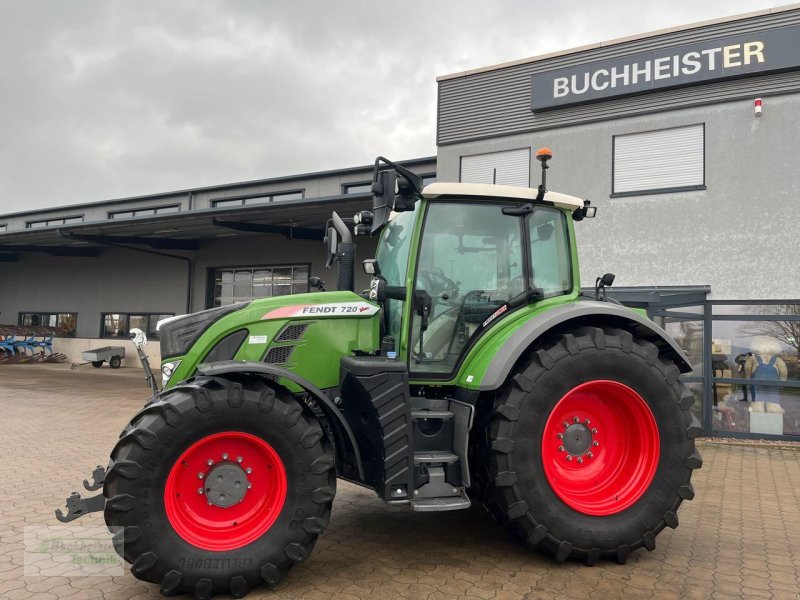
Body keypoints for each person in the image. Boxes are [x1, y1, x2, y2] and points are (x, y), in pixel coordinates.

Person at [745, 337, 788, 414]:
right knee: (772, 396)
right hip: (773, 382)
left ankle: (757, 408)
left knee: (758, 396)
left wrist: (748, 378)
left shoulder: (753, 358)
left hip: (757, 381)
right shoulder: (777, 360)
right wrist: (783, 380)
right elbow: (783, 371)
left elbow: (747, 368)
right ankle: (773, 408)